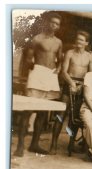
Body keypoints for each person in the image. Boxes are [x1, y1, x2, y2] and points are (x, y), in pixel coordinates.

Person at [13, 12, 63, 157]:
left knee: (42, 112)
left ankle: (34, 144)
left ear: (58, 27)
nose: (54, 25)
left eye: (57, 24)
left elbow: (59, 59)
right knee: (28, 111)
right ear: (47, 23)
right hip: (37, 75)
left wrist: (58, 70)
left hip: (50, 77)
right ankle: (20, 146)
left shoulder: (59, 42)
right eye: (52, 22)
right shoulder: (36, 38)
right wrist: (32, 67)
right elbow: (28, 58)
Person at [49, 30, 92, 154]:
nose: (78, 42)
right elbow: (64, 71)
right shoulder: (69, 53)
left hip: (82, 87)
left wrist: (82, 86)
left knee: (75, 117)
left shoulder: (89, 57)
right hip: (69, 85)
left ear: (86, 43)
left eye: (81, 40)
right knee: (60, 115)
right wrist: (72, 83)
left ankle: (71, 144)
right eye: (77, 39)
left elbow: (91, 75)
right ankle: (53, 144)